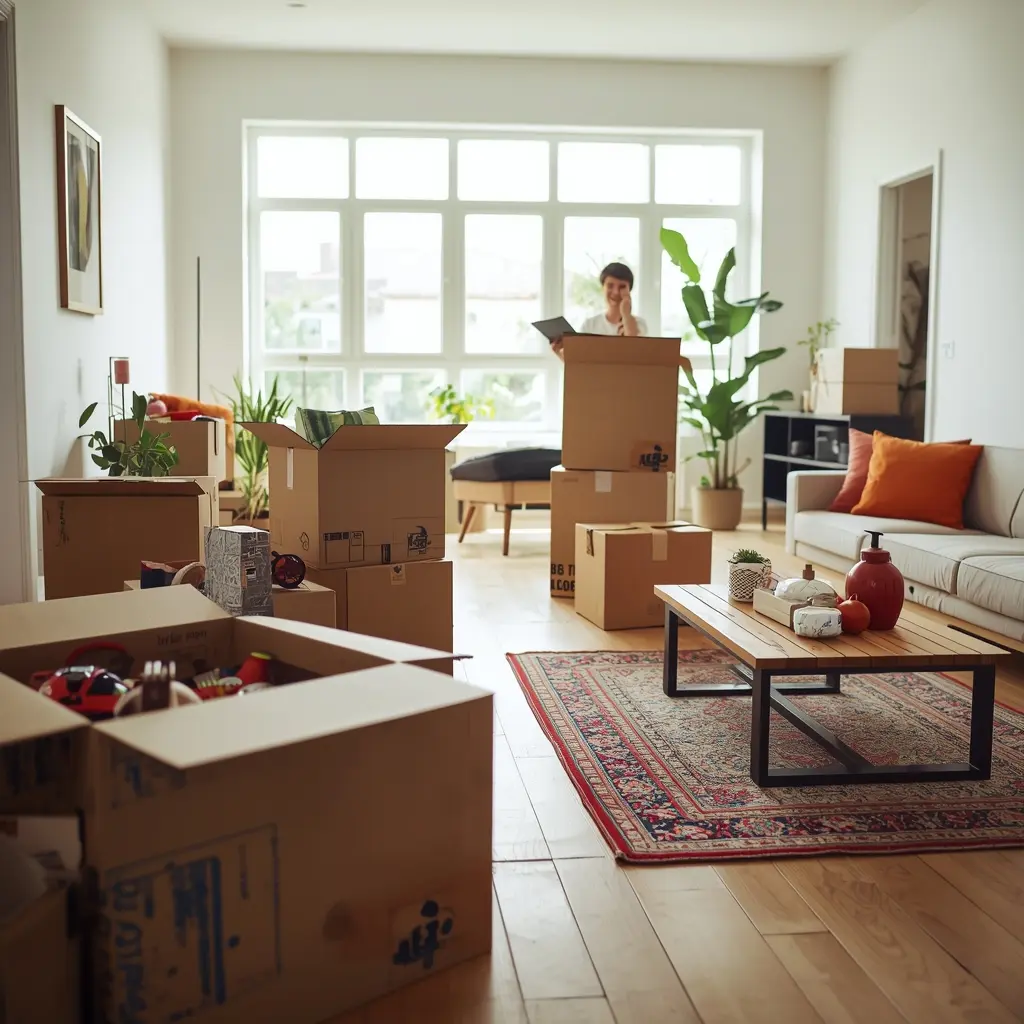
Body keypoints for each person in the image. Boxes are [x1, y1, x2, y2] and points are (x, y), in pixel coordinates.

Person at [551, 262, 648, 360]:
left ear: (629, 290)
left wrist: (626, 315)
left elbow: (635, 355)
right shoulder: (590, 325)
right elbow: (583, 365)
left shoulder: (639, 324)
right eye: (610, 286)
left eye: (622, 287)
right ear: (603, 288)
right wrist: (562, 356)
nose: (616, 292)